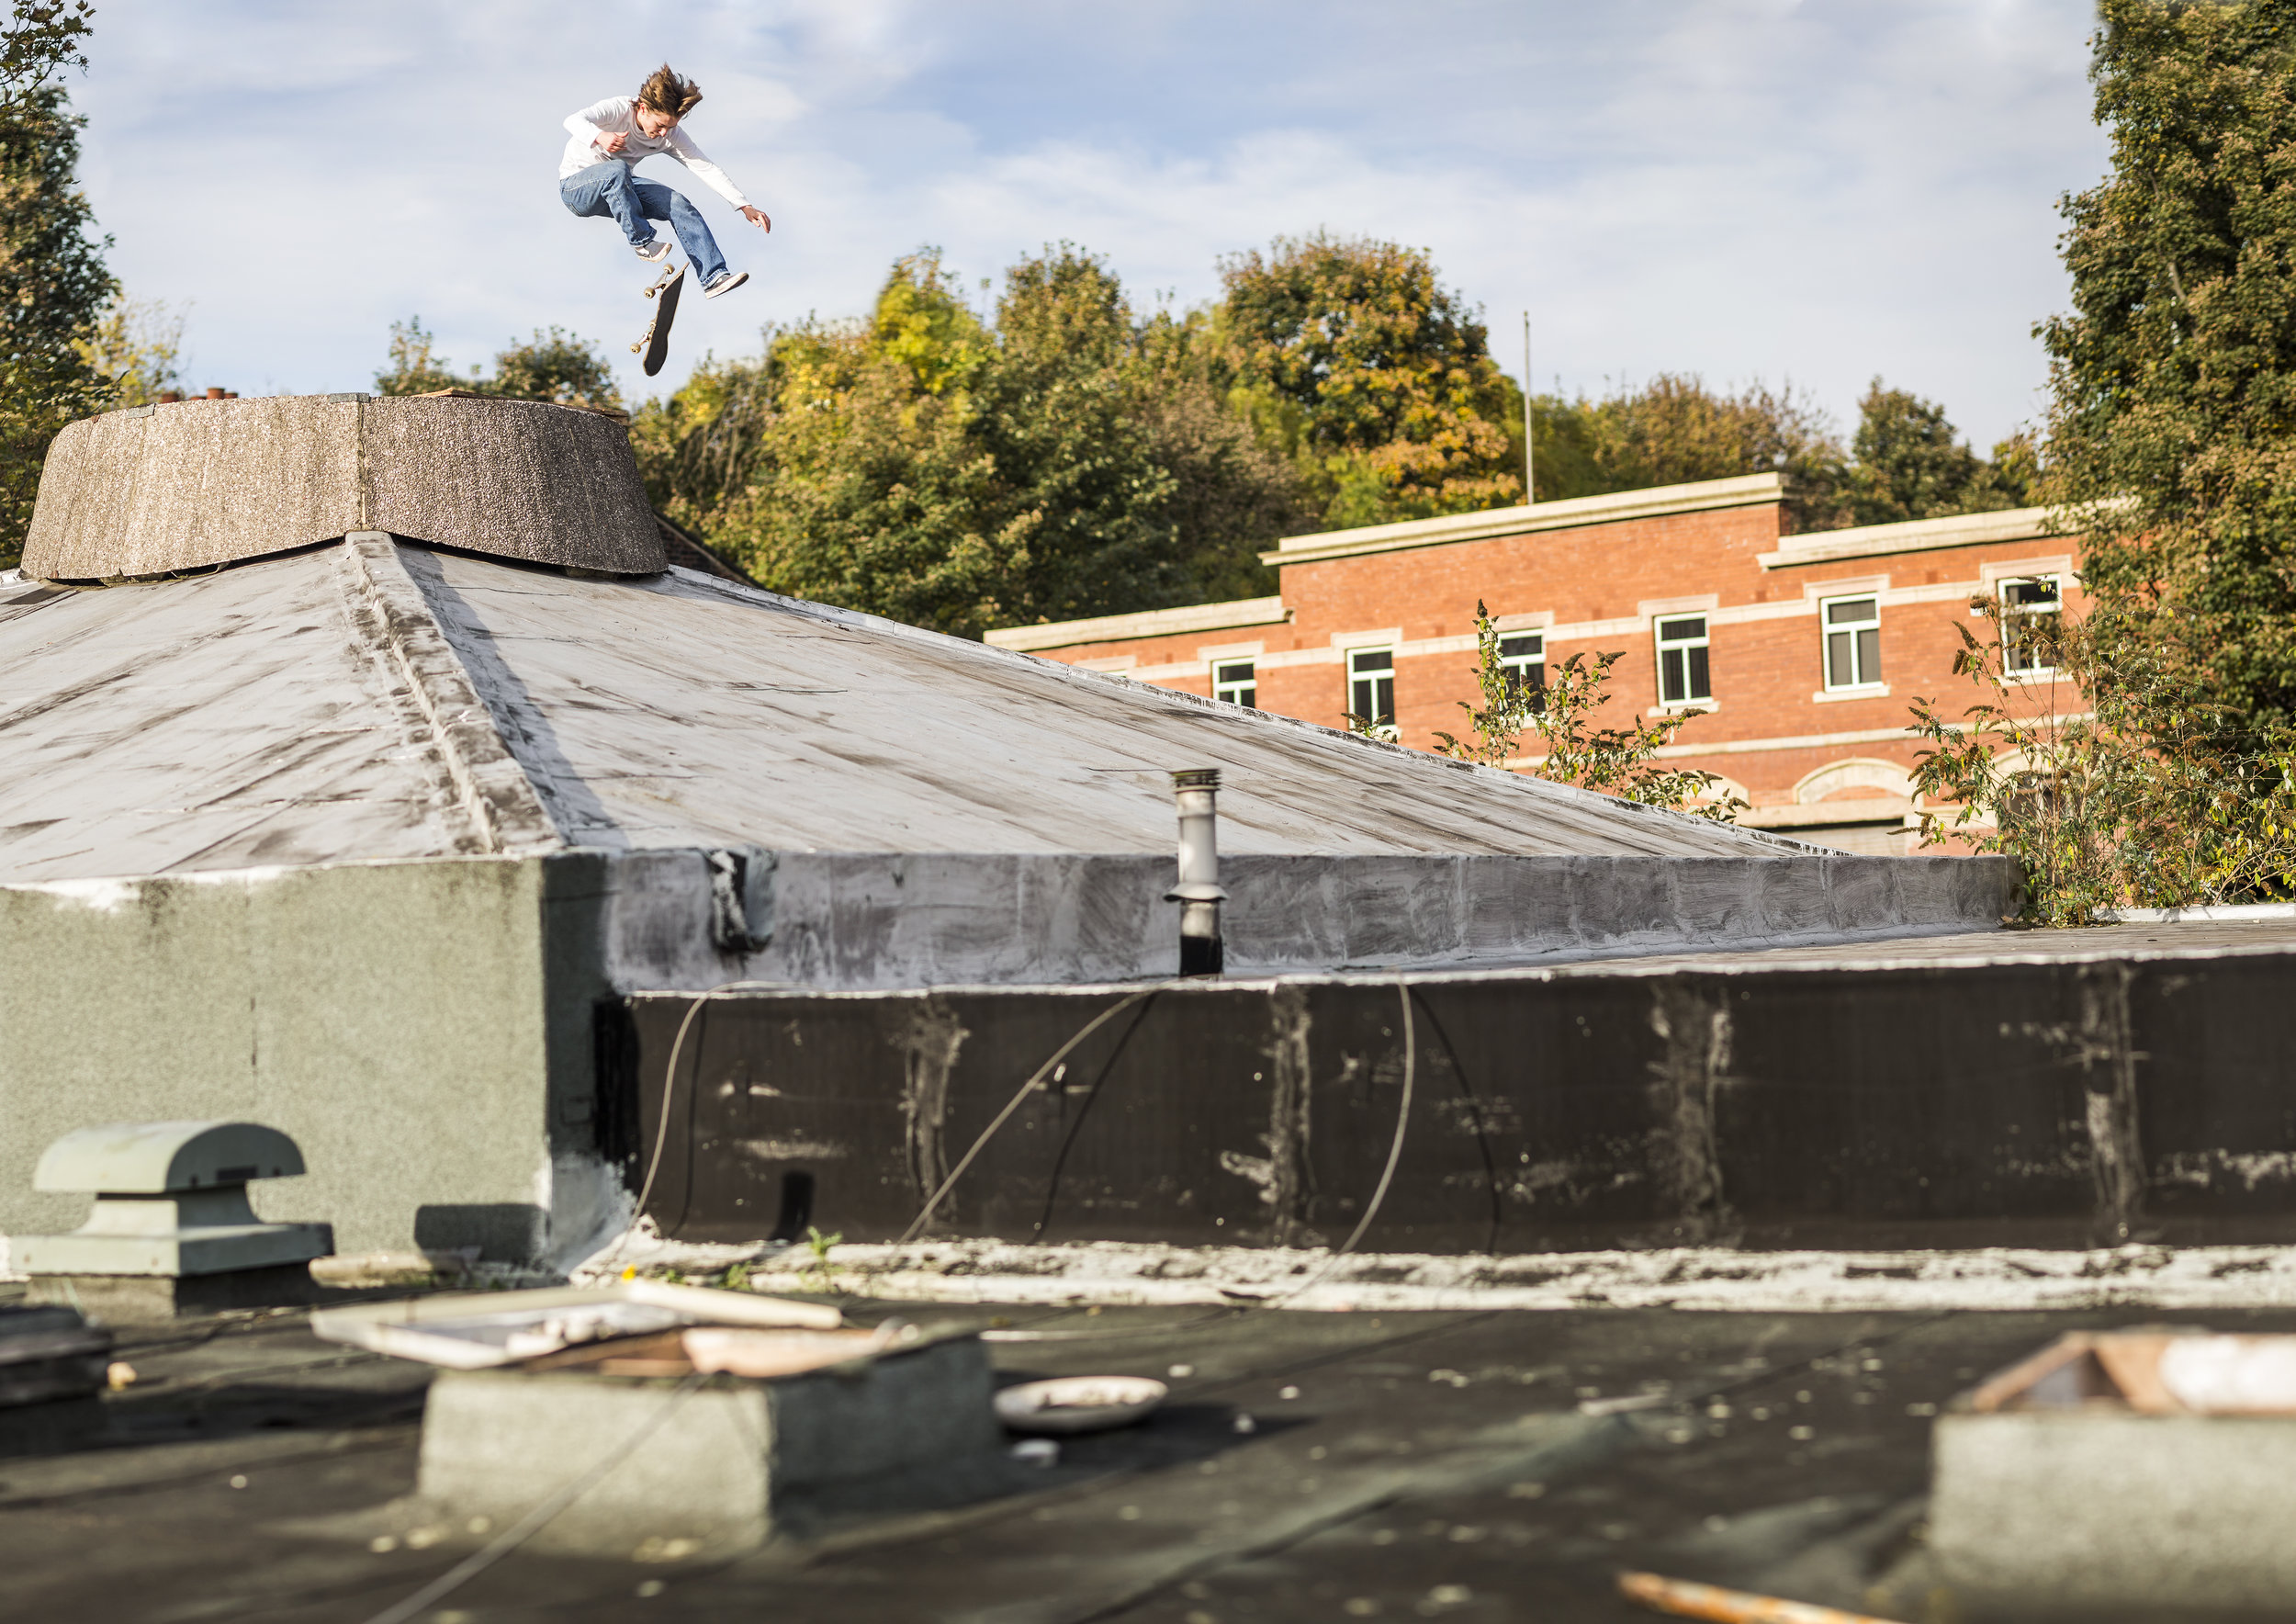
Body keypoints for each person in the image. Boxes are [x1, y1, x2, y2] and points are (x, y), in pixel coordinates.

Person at [558, 64, 769, 299]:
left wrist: (743, 205)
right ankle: (642, 242)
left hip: (621, 191)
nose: (663, 134)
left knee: (678, 204)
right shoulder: (618, 109)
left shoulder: (671, 135)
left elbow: (705, 166)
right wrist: (599, 135)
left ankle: (713, 277)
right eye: (660, 126)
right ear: (644, 108)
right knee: (617, 170)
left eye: (670, 127)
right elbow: (573, 120)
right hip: (576, 188)